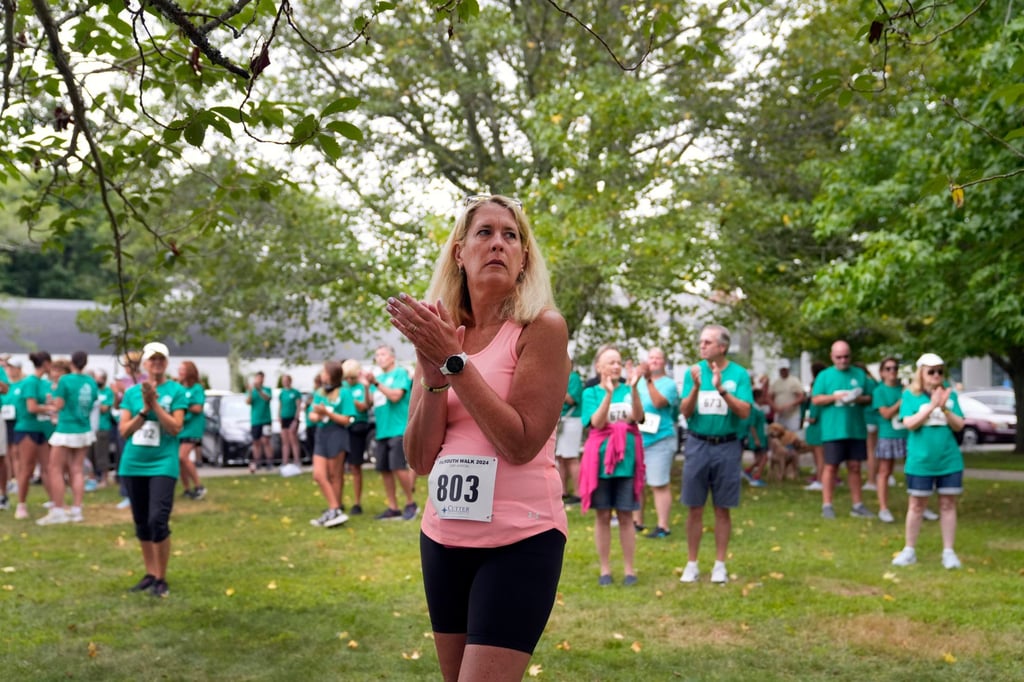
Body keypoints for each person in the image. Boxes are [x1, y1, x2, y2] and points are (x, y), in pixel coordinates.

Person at [388, 193, 569, 682]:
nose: (498, 244)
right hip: (443, 537)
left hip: (520, 538)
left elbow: (520, 442)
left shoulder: (541, 328)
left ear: (524, 259)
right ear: (459, 252)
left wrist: (454, 364)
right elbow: (419, 458)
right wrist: (432, 374)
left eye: (511, 236)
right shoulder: (444, 333)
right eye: (484, 233)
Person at [678, 324, 753, 584]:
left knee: (723, 508)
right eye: (701, 342)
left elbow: (745, 411)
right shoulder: (694, 371)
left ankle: (720, 564)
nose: (702, 346)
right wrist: (696, 387)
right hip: (698, 444)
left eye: (708, 342)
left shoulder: (739, 374)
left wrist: (722, 390)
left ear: (722, 347)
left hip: (727, 446)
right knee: (694, 507)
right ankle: (692, 563)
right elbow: (685, 411)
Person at [118, 342, 187, 597]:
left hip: (163, 463)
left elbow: (176, 427)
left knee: (157, 518)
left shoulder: (176, 391)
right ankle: (149, 572)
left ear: (166, 363)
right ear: (144, 364)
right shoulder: (132, 393)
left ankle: (161, 576)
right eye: (152, 359)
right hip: (133, 463)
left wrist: (155, 405)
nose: (157, 363)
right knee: (141, 522)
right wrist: (144, 409)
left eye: (161, 359)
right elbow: (124, 431)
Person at [891, 353, 966, 570]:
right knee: (916, 505)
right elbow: (910, 424)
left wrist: (944, 407)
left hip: (948, 460)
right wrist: (931, 407)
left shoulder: (950, 396)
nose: (936, 375)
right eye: (931, 371)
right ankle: (909, 550)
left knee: (948, 504)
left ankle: (949, 552)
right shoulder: (910, 396)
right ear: (921, 374)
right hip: (920, 461)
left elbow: (959, 425)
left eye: (939, 371)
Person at [579, 345, 645, 584]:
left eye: (619, 362)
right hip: (600, 463)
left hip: (627, 461)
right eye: (611, 362)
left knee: (627, 515)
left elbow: (637, 417)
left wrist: (635, 389)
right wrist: (607, 394)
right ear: (599, 367)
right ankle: (605, 569)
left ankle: (629, 569)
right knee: (603, 515)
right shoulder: (590, 393)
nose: (616, 366)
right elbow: (596, 423)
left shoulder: (629, 389)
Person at [811, 340, 874, 520]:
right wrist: (835, 397)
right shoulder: (824, 376)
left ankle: (857, 504)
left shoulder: (859, 374)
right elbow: (815, 399)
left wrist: (856, 398)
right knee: (831, 467)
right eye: (839, 357)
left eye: (846, 357)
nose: (843, 360)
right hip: (833, 430)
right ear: (832, 357)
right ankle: (827, 504)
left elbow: (870, 397)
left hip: (855, 429)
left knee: (855, 466)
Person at [37, 352, 99, 525]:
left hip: (66, 428)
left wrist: (52, 401)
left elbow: (60, 405)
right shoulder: (90, 381)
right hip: (84, 428)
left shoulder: (65, 380)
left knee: (54, 469)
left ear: (71, 362)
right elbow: (92, 401)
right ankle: (77, 510)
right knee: (77, 470)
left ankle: (58, 510)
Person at [368, 344, 418, 521]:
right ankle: (393, 506)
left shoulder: (399, 374)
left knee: (398, 467)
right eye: (377, 355)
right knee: (384, 469)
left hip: (398, 429)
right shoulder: (378, 379)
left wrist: (375, 383)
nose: (379, 358)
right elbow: (370, 402)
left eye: (382, 354)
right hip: (382, 430)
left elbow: (396, 396)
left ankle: (411, 503)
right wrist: (366, 384)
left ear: (392, 357)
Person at [635, 347, 679, 537]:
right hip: (639, 437)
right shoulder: (639, 383)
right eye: (651, 357)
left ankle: (663, 526)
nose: (654, 361)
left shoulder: (669, 384)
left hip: (660, 438)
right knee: (637, 483)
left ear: (664, 362)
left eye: (658, 358)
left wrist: (648, 380)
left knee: (658, 483)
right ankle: (637, 521)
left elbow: (659, 403)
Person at [308, 361, 351, 528]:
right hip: (321, 434)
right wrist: (318, 415)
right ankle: (334, 509)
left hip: (337, 434)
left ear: (331, 374)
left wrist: (327, 413)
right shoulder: (319, 392)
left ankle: (335, 510)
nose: (322, 374)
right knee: (318, 475)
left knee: (335, 475)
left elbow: (346, 420)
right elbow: (311, 415)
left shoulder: (344, 393)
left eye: (324, 371)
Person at [12, 351, 55, 520]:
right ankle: (21, 504)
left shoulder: (44, 383)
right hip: (27, 428)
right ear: (45, 363)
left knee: (48, 468)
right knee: (27, 468)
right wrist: (50, 409)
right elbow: (31, 407)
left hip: (43, 429)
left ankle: (54, 502)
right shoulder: (30, 382)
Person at [872, 357, 907, 523]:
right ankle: (883, 508)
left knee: (914, 471)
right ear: (882, 372)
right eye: (888, 368)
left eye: (895, 368)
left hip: (907, 434)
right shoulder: (879, 391)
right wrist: (901, 401)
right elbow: (885, 413)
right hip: (888, 435)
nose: (892, 371)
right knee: (885, 471)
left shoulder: (905, 389)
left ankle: (920, 505)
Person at [341, 359, 370, 515]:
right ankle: (337, 502)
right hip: (343, 427)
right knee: (338, 467)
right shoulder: (342, 387)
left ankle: (357, 503)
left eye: (352, 378)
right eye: (347, 378)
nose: (349, 381)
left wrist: (359, 397)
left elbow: (365, 406)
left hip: (358, 427)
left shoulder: (362, 387)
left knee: (355, 466)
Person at [176, 360, 206, 500]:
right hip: (181, 427)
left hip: (192, 428)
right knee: (180, 459)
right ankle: (187, 489)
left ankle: (199, 486)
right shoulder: (179, 388)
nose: (179, 372)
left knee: (183, 456)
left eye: (182, 369)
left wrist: (183, 404)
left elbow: (198, 408)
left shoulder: (197, 389)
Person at [555, 366, 584, 505]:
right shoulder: (558, 374)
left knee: (571, 457)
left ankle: (579, 494)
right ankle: (562, 491)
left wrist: (555, 385)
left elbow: (572, 399)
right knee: (560, 457)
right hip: (562, 420)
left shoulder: (573, 377)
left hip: (572, 420)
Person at [91, 370, 117, 488]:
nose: (97, 381)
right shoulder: (92, 390)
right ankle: (92, 478)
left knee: (102, 454)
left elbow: (105, 408)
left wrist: (96, 401)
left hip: (103, 427)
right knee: (90, 454)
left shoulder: (108, 392)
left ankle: (104, 479)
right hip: (90, 427)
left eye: (99, 378)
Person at [741, 388, 769, 488]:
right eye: (762, 397)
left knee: (760, 458)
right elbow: (752, 425)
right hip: (758, 438)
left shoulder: (760, 409)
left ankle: (749, 471)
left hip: (762, 436)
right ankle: (756, 477)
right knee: (764, 457)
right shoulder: (753, 410)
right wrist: (756, 439)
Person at [246, 371, 272, 473]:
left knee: (266, 441)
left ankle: (269, 461)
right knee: (256, 442)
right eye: (257, 378)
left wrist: (259, 390)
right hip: (255, 420)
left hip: (266, 419)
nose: (259, 380)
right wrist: (250, 392)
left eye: (261, 378)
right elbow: (248, 402)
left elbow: (267, 398)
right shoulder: (252, 391)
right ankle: (257, 462)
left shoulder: (267, 389)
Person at [770, 359, 805, 433]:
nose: (783, 371)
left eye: (784, 369)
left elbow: (801, 397)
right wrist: (775, 407)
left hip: (792, 415)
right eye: (781, 370)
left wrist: (789, 405)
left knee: (792, 435)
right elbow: (770, 397)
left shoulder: (794, 381)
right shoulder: (776, 382)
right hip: (780, 415)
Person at [277, 374, 303, 472]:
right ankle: (285, 461)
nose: (284, 382)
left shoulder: (295, 393)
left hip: (292, 418)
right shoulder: (282, 393)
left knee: (293, 439)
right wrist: (279, 416)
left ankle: (297, 460)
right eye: (283, 380)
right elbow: (280, 405)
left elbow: (298, 406)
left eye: (286, 380)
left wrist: (296, 419)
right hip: (284, 418)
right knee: (285, 440)